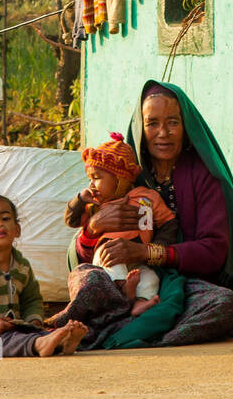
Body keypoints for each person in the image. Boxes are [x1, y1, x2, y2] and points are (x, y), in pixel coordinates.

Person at [50, 80, 233, 348]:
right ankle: (129, 328)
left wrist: (146, 253)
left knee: (227, 304)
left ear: (186, 127)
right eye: (152, 123)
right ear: (141, 128)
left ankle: (127, 334)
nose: (163, 133)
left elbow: (213, 251)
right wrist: (93, 228)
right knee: (89, 280)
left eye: (173, 122)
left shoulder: (205, 177)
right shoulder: (124, 175)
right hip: (119, 284)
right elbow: (83, 256)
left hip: (180, 285)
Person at [0, 194, 86, 357]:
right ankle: (39, 344)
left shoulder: (22, 266)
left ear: (17, 229)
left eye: (6, 218)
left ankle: (61, 344)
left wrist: (33, 320)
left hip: (10, 328)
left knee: (31, 335)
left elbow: (31, 300)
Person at [65, 132, 176, 316]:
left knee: (150, 278)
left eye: (97, 178)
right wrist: (80, 200)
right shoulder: (95, 204)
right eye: (90, 178)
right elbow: (71, 220)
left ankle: (139, 302)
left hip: (138, 260)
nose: (91, 184)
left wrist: (156, 247)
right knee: (109, 263)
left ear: (120, 178)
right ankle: (123, 289)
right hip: (108, 254)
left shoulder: (147, 197)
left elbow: (168, 223)